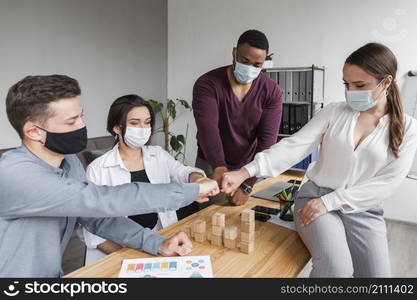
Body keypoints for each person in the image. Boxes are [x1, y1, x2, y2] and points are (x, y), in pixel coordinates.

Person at [221, 43, 417, 277]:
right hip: (314, 199)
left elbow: (387, 184)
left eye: (360, 85)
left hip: (363, 208)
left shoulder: (408, 128)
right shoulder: (334, 112)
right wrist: (244, 172)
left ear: (386, 82)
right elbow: (294, 146)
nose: (350, 91)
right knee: (336, 270)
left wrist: (332, 201)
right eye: (346, 84)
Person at [0, 75, 219, 277]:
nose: (83, 126)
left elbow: (97, 218)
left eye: (81, 116)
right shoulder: (15, 175)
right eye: (71, 121)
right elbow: (102, 201)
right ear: (34, 132)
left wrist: (157, 244)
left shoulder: (69, 161)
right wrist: (193, 190)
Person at [81, 94, 208, 264]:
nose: (143, 128)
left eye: (147, 122)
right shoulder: (97, 169)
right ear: (116, 128)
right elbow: (93, 234)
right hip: (118, 252)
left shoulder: (158, 155)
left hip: (159, 242)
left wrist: (198, 179)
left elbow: (183, 172)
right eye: (134, 123)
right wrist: (135, 257)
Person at [192, 29, 283, 207]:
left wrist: (247, 185)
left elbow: (267, 141)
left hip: (248, 168)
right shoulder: (207, 84)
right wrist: (218, 167)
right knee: (209, 218)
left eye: (257, 65)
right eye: (244, 61)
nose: (249, 68)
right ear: (234, 53)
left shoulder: (271, 91)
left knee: (240, 220)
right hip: (211, 162)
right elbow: (208, 130)